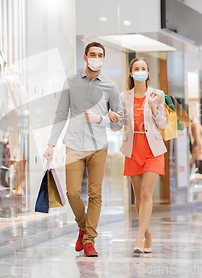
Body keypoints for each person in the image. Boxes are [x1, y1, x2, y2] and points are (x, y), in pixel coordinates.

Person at [43, 42, 124, 257]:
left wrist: (101, 119)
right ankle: (82, 226)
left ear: (103, 59)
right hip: (75, 146)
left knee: (95, 194)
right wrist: (51, 144)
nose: (97, 58)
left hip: (99, 147)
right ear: (85, 57)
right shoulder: (70, 83)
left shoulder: (110, 86)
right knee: (72, 192)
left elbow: (119, 122)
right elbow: (61, 115)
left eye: (100, 55)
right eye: (93, 54)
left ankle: (89, 240)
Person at [108, 57, 167, 254]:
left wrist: (152, 107)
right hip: (133, 149)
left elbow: (163, 124)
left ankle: (139, 237)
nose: (140, 71)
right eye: (136, 68)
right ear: (131, 73)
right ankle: (148, 235)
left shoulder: (158, 94)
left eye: (144, 68)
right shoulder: (123, 97)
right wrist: (113, 118)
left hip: (153, 149)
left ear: (148, 73)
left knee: (146, 194)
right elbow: (117, 128)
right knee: (138, 197)